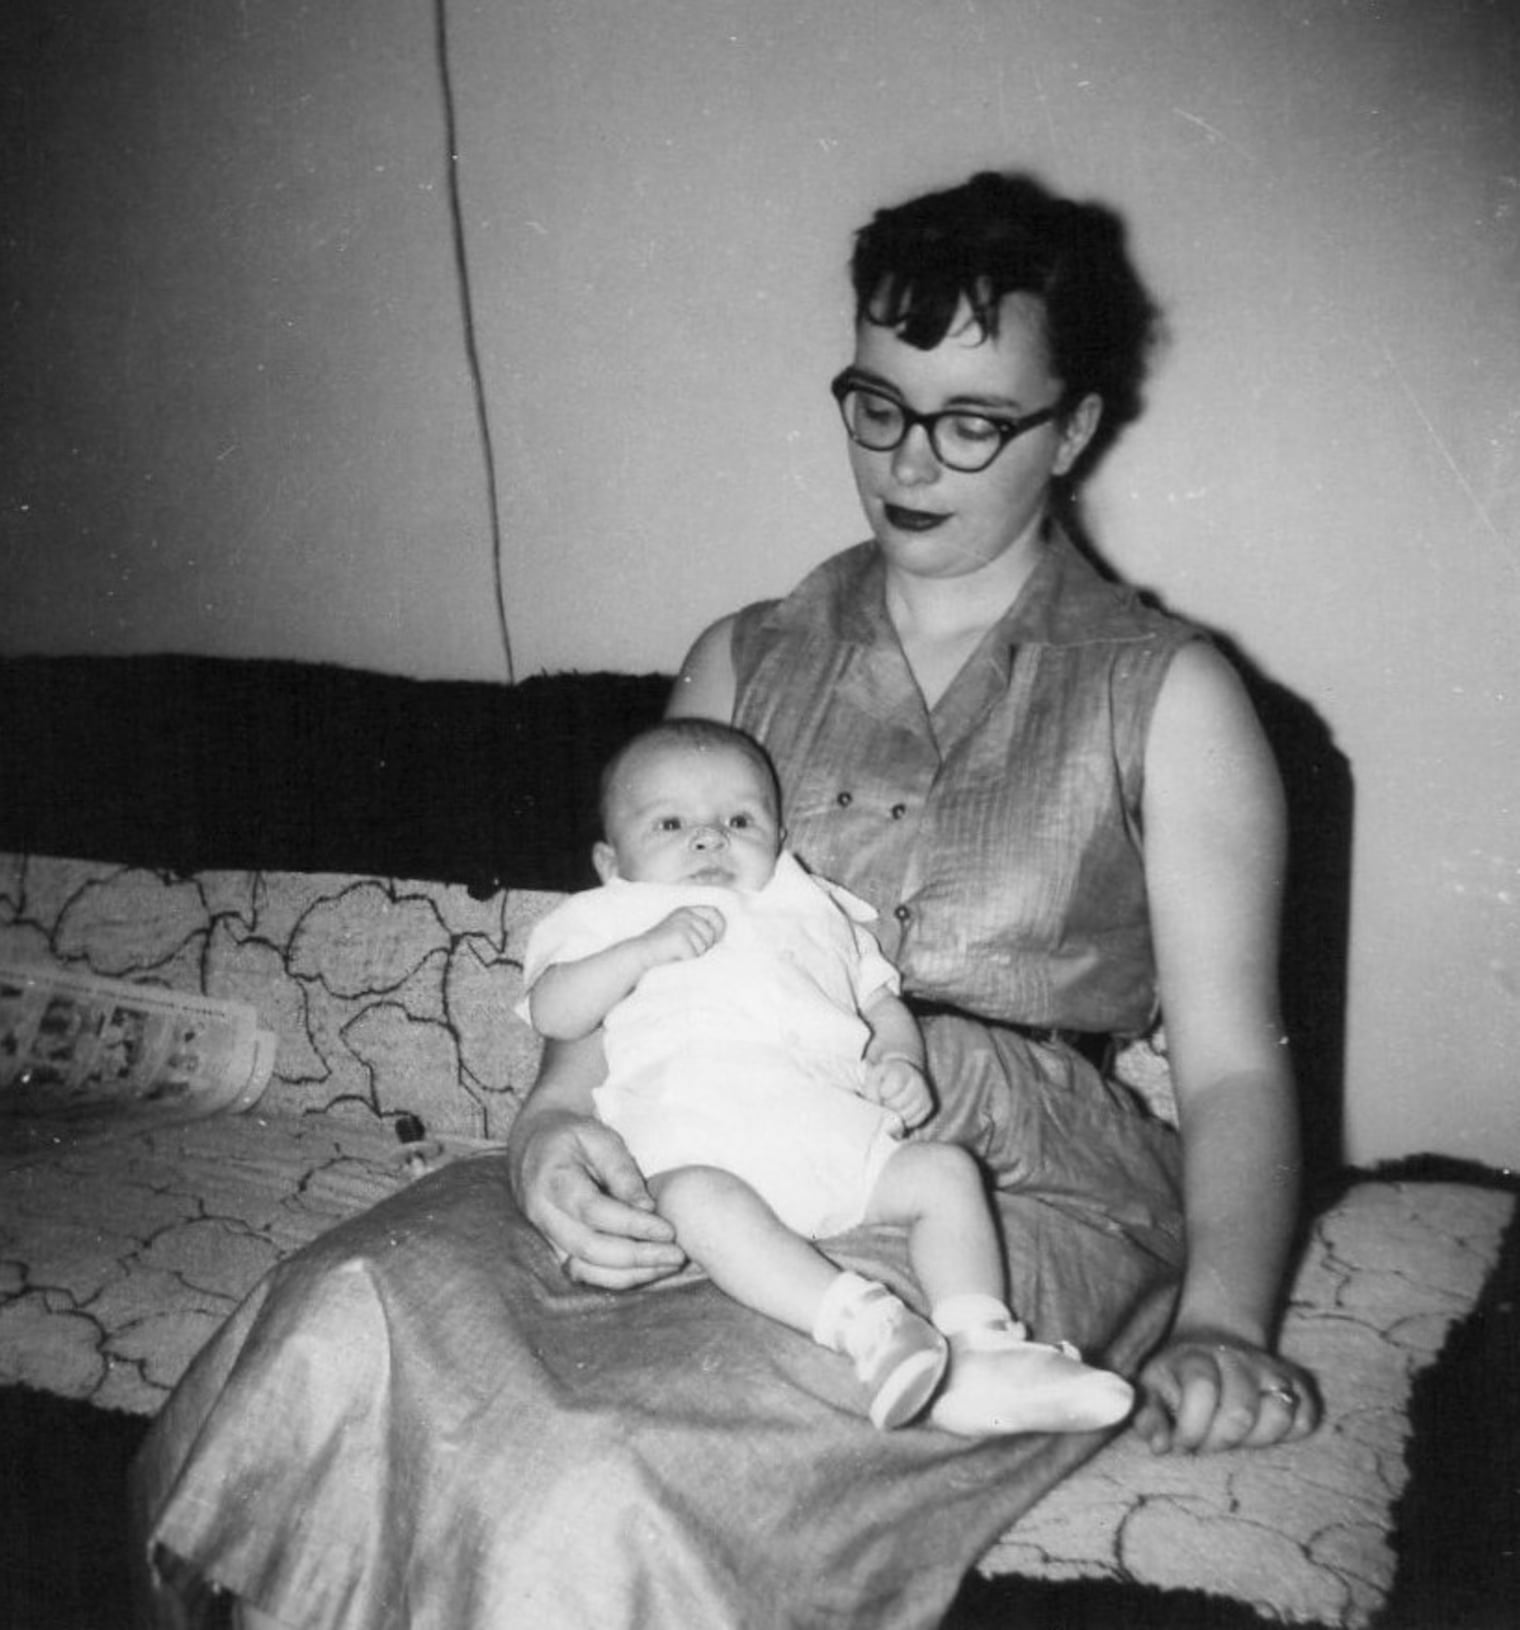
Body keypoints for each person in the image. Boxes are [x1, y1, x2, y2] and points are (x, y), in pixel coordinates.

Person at [132, 169, 1320, 1630]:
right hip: (702, 1111)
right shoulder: (742, 658)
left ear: (1072, 428)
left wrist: (1222, 1321)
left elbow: (1229, 1063)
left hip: (1003, 1175)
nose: (909, 459)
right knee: (341, 1317)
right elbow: (629, 960)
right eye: (877, 402)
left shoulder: (1169, 691)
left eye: (971, 420)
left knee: (595, 1472)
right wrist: (552, 1125)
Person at [519, 716, 1134, 1434]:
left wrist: (898, 1060)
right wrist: (640, 952)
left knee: (944, 1171)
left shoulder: (814, 907)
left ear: (780, 843)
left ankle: (982, 1349)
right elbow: (555, 1012)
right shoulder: (609, 915)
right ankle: (866, 1326)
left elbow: (881, 1002)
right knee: (693, 1201)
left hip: (829, 1135)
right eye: (671, 824)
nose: (710, 838)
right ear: (608, 859)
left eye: (740, 820)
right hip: (697, 1147)